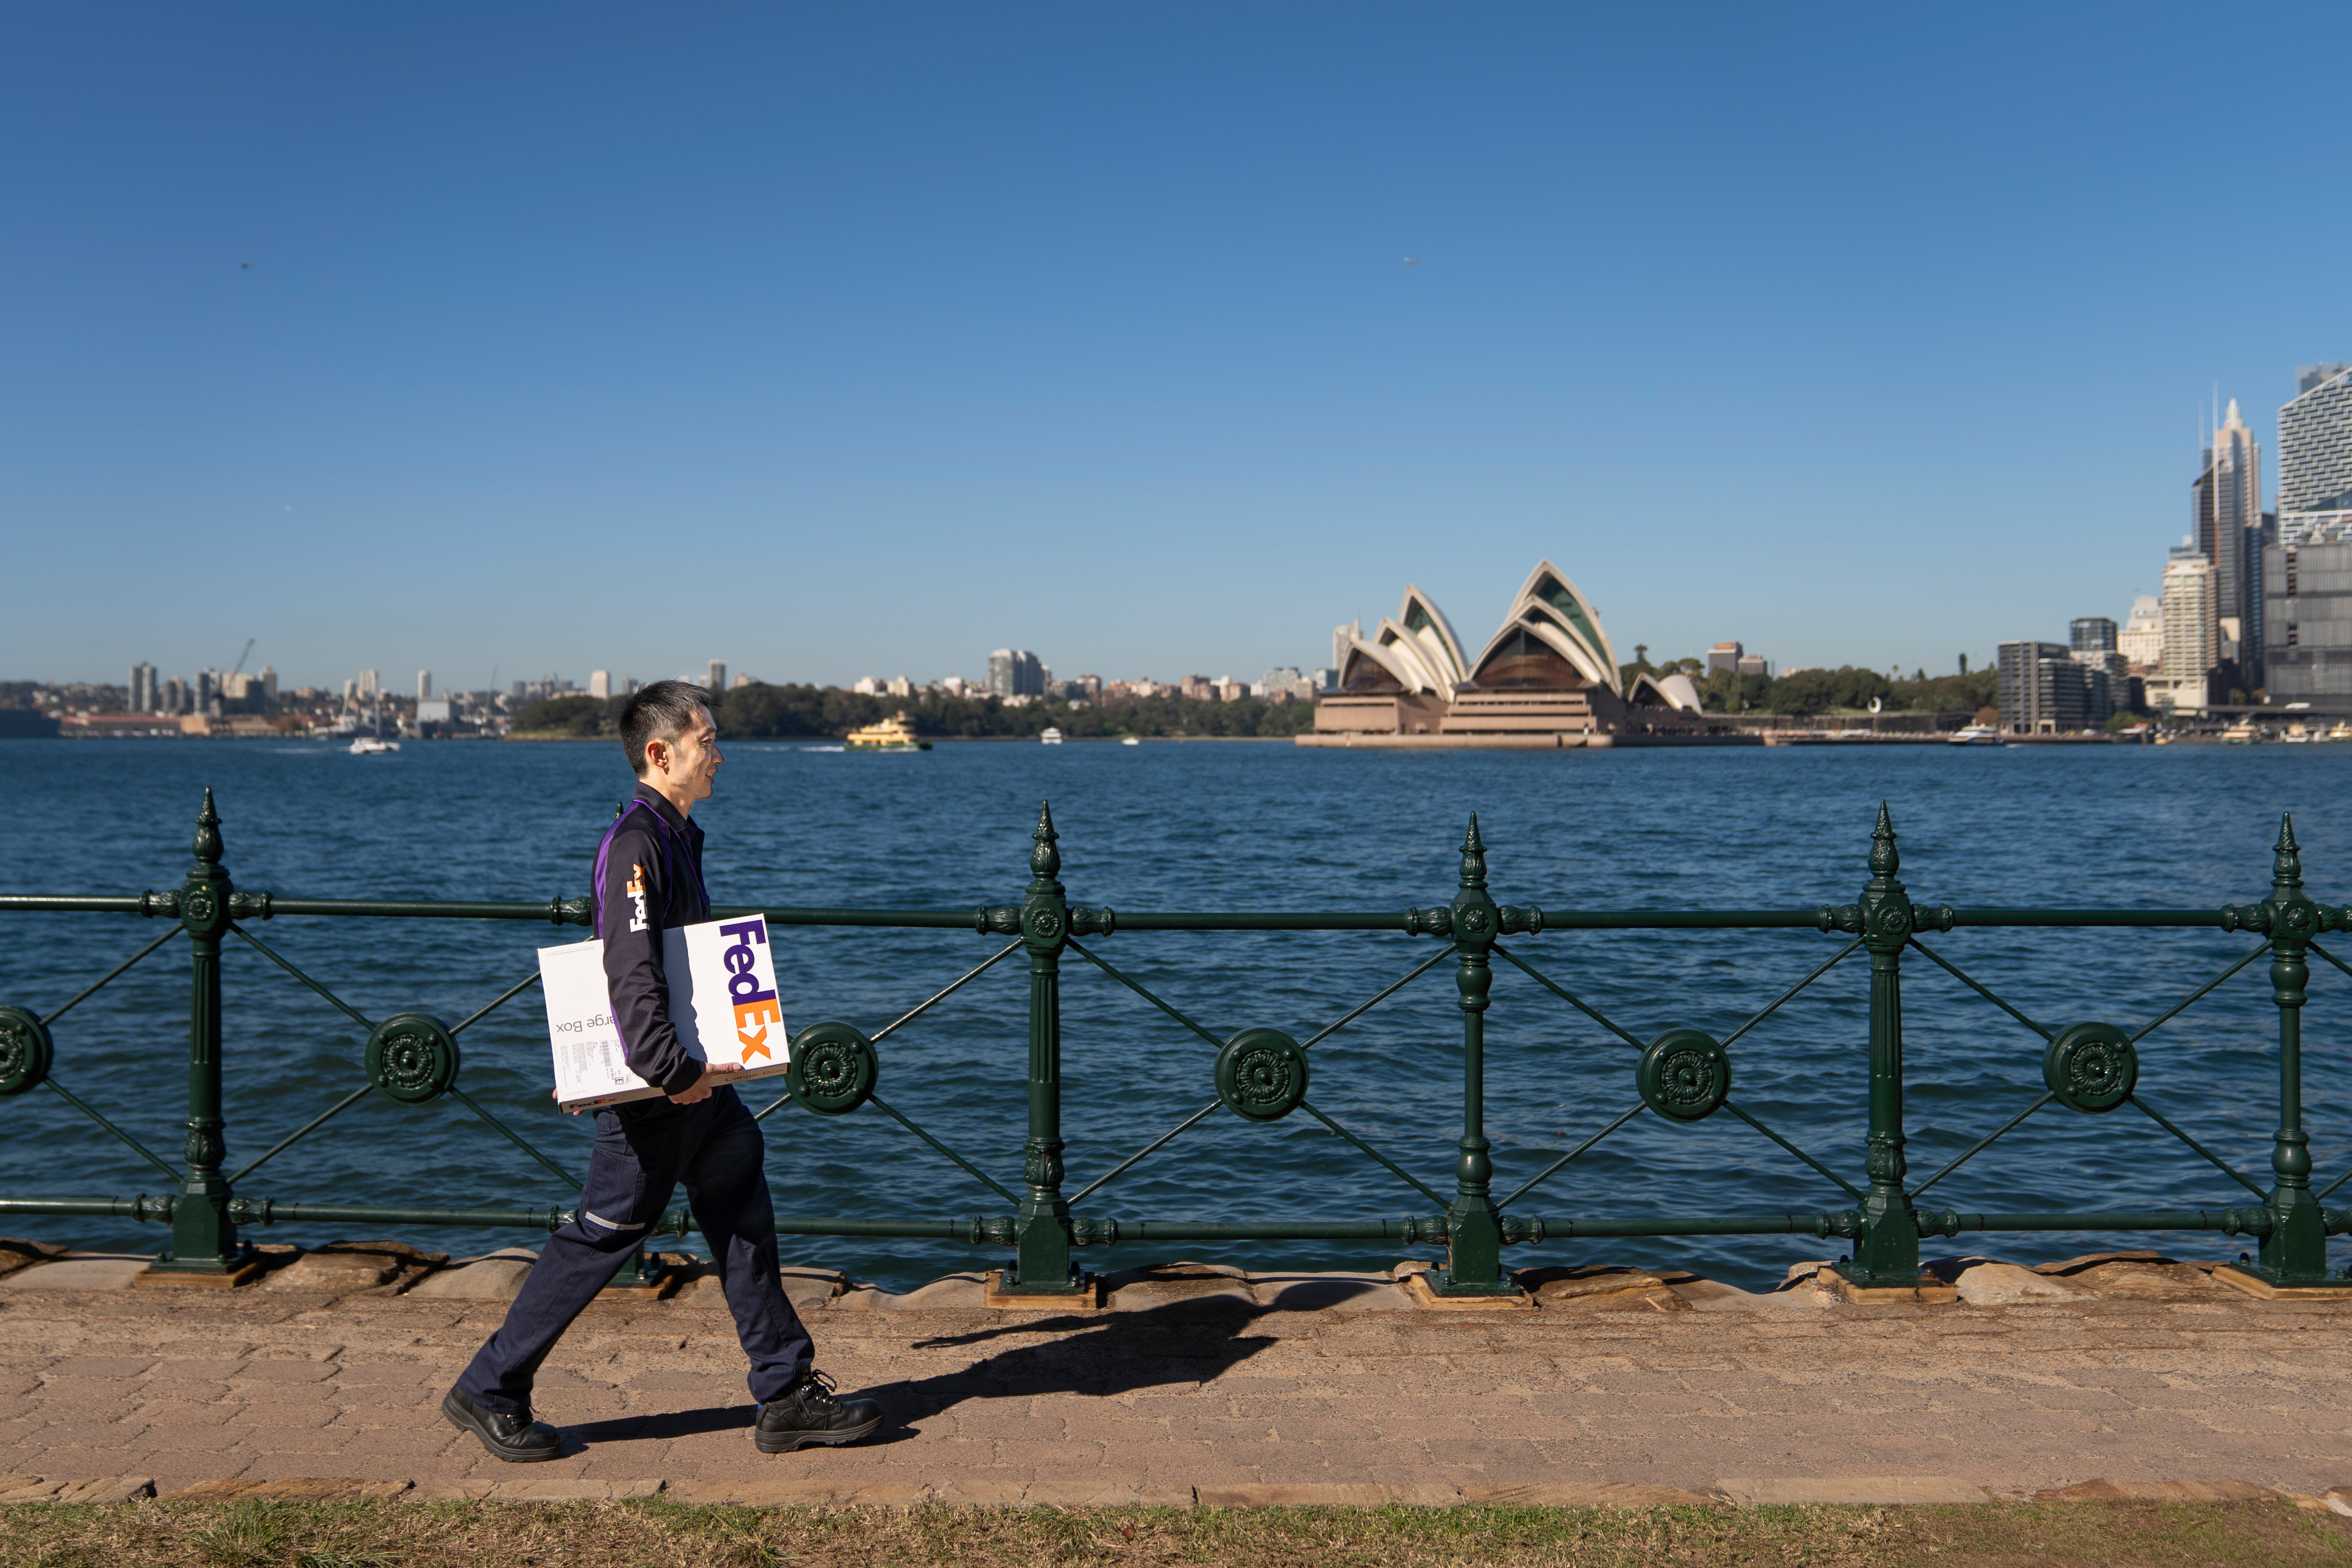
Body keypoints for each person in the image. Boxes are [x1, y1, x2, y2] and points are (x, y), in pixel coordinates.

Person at [444, 681, 881, 1461]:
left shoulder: (675, 835)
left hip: (697, 1089)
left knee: (743, 1215)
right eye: (706, 739)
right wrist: (669, 1071)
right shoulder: (639, 846)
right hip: (662, 1093)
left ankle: (784, 1392)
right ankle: (489, 1387)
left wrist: (698, 1075)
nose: (719, 753)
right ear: (660, 752)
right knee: (599, 1239)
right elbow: (630, 974)